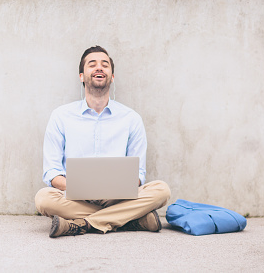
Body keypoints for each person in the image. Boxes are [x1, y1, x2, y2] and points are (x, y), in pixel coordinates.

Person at [34, 45, 171, 238]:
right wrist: (84, 188)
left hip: (116, 197)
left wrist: (112, 189)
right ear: (82, 76)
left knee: (161, 190)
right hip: (76, 196)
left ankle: (83, 224)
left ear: (112, 76)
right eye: (92, 64)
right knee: (43, 198)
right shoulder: (61, 116)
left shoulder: (131, 118)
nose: (99, 68)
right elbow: (52, 173)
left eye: (105, 65)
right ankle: (131, 220)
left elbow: (139, 174)